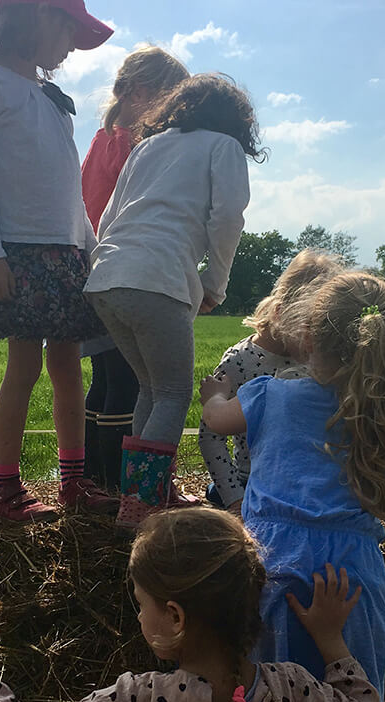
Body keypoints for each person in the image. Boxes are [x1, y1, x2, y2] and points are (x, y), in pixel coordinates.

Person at [201, 273, 385, 702]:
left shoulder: (271, 396)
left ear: (307, 336)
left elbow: (218, 421)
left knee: (274, 695)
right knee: (359, 692)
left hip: (276, 567)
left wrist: (215, 394)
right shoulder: (384, 419)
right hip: (352, 576)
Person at [0, 508, 382, 702]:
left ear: (176, 617)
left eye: (141, 603)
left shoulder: (138, 698)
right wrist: (331, 641)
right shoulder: (293, 688)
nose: (139, 616)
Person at [0, 0, 115, 522]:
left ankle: (73, 484)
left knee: (68, 367)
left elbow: (70, 195)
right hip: (18, 253)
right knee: (25, 365)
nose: (69, 45)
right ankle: (5, 490)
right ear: (36, 16)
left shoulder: (53, 100)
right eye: (68, 28)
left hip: (67, 255)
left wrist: (93, 250)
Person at [83, 73, 265, 527]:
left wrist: (108, 265)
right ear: (235, 118)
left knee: (151, 388)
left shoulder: (148, 145)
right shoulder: (223, 147)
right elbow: (227, 218)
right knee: (173, 392)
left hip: (106, 278)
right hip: (156, 278)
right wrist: (214, 284)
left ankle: (142, 494)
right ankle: (143, 508)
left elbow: (108, 216)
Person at [80, 47, 189, 495]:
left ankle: (94, 478)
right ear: (142, 94)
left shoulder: (101, 140)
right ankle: (126, 487)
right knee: (133, 383)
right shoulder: (132, 146)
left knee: (106, 378)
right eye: (171, 103)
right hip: (126, 270)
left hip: (93, 271)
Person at [198, 249, 344, 513]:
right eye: (309, 329)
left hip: (304, 485)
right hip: (251, 481)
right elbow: (211, 438)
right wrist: (235, 500)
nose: (316, 342)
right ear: (280, 313)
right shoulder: (239, 361)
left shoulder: (320, 359)